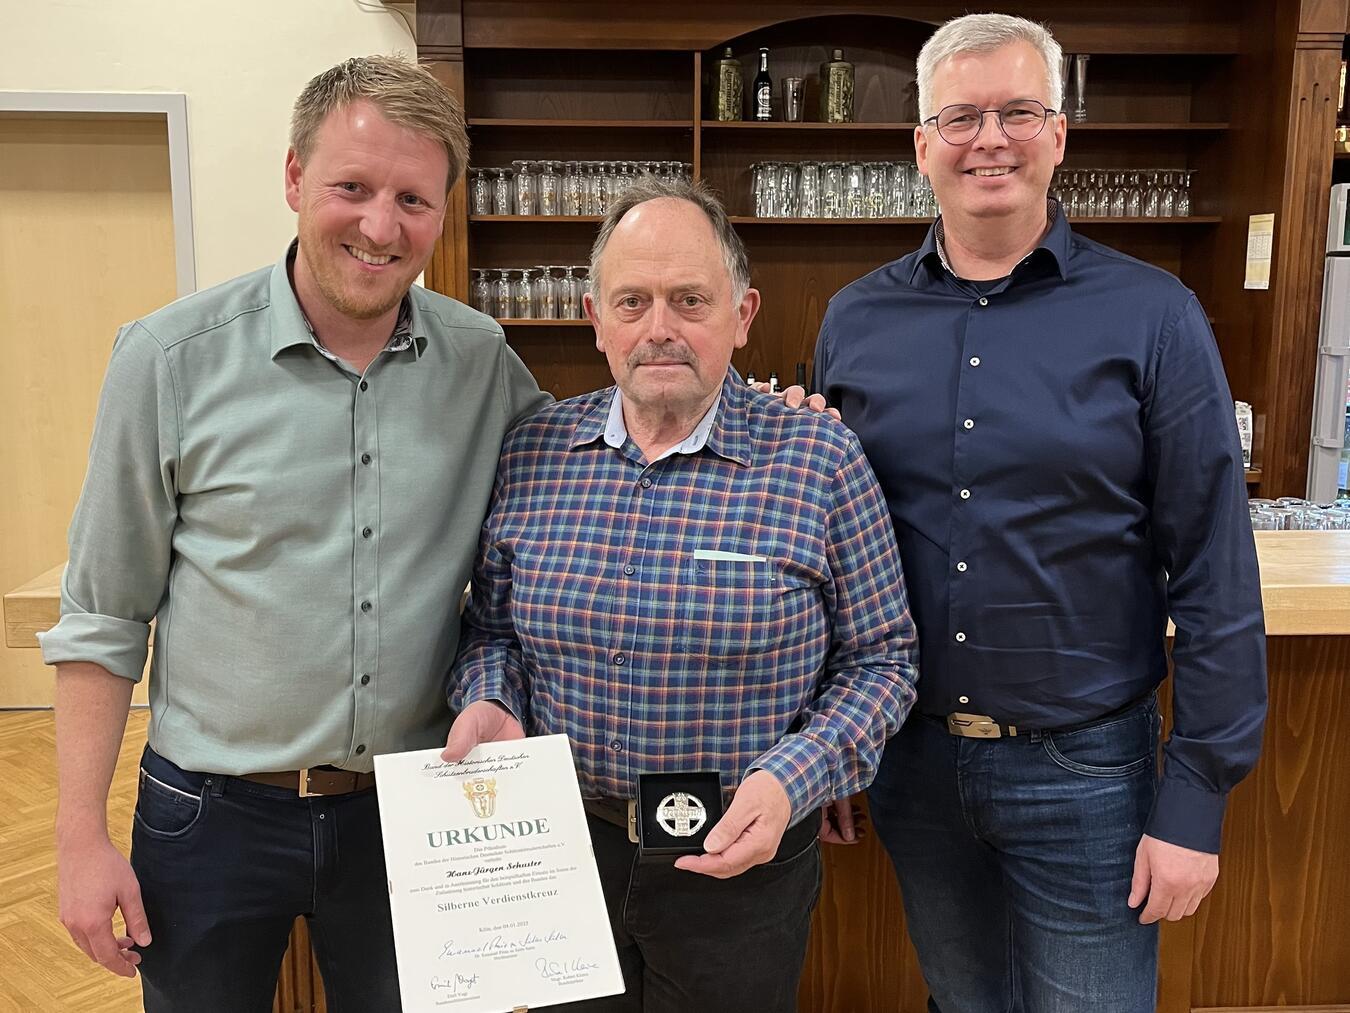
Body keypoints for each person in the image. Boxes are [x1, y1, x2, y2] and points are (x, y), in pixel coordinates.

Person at [40, 55, 553, 1011]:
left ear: (443, 210)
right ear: (292, 178)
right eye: (350, 188)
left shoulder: (483, 362)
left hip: (414, 814)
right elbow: (103, 616)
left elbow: (591, 477)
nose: (380, 225)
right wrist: (79, 837)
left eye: (413, 198)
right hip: (208, 815)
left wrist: (754, 414)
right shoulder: (166, 360)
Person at [813, 13, 1266, 1013]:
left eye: (1019, 111)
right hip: (909, 759)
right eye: (962, 116)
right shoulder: (855, 320)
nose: (991, 138)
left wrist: (1195, 801)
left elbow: (1216, 574)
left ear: (1060, 133)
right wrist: (827, 744)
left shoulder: (1154, 316)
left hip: (1089, 768)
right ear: (920, 144)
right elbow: (830, 556)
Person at [443, 174, 919, 1013]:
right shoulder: (534, 451)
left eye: (689, 299)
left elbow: (883, 660)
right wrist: (491, 700)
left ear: (742, 314)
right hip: (562, 851)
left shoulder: (819, 459)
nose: (659, 329)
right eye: (632, 301)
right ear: (595, 321)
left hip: (742, 860)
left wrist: (792, 778)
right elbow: (493, 632)